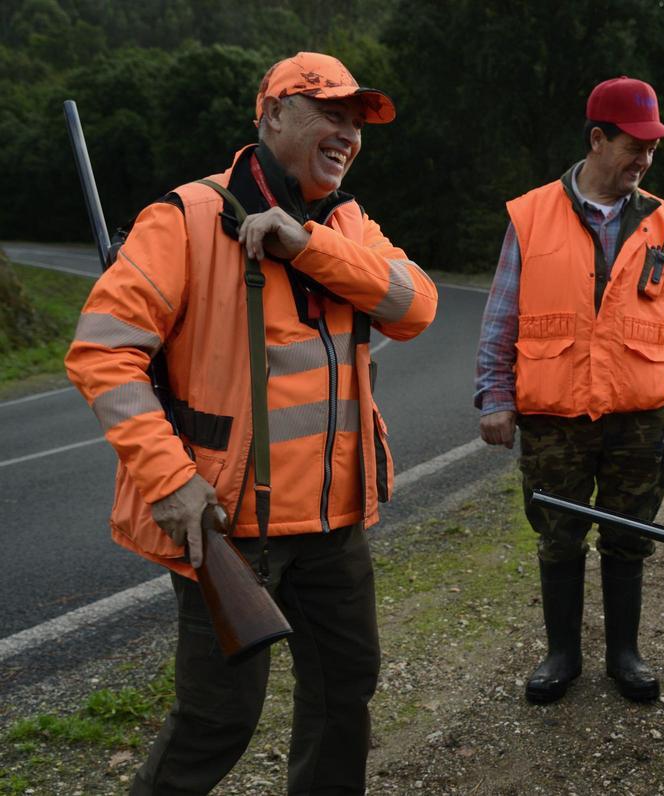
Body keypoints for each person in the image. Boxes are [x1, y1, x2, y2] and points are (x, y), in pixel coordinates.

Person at [65, 52, 438, 793]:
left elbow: (416, 307)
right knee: (218, 722)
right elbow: (103, 356)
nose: (348, 134)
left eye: (357, 122)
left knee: (345, 695)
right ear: (271, 115)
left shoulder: (347, 223)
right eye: (330, 113)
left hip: (335, 522)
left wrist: (308, 244)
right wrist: (172, 483)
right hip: (231, 524)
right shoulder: (186, 217)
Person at [474, 76, 664, 704]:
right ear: (597, 139)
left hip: (641, 416)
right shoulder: (531, 213)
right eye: (634, 145)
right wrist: (495, 397)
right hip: (555, 417)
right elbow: (501, 315)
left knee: (630, 535)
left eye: (653, 149)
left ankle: (625, 654)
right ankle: (561, 656)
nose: (645, 159)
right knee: (558, 534)